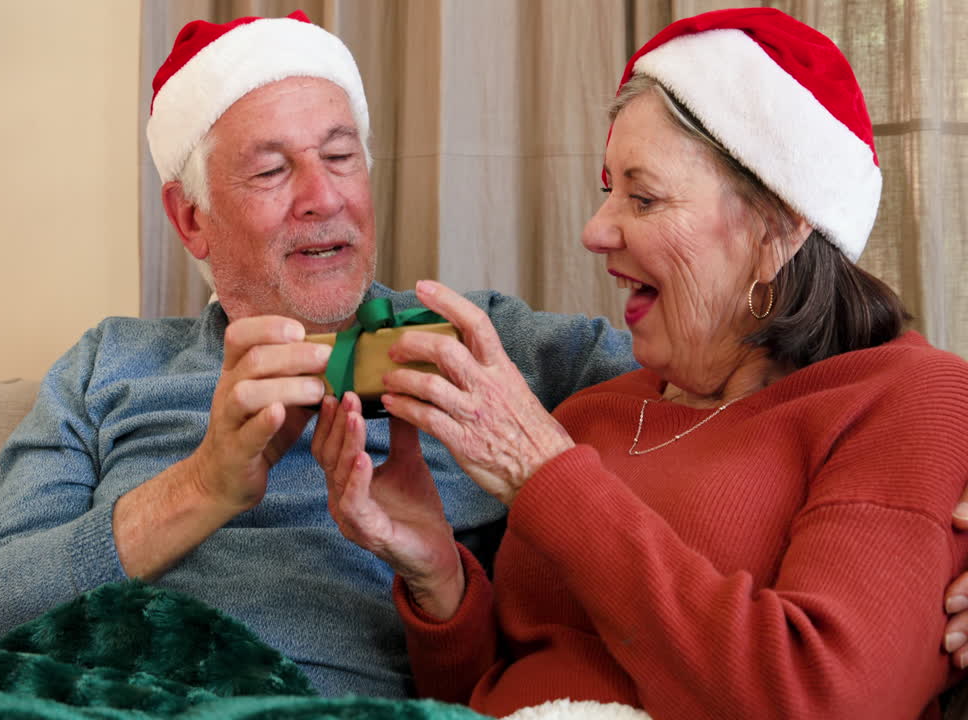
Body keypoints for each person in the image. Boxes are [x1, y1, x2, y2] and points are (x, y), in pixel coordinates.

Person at [0, 11, 637, 699]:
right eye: (271, 171)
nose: (323, 196)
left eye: (339, 157)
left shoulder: (484, 340)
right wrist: (201, 487)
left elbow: (715, 388)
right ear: (191, 219)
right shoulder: (111, 363)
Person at [316, 8, 968, 718]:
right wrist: (437, 575)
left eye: (644, 197)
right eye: (607, 190)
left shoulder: (909, 399)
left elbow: (822, 699)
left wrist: (544, 475)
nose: (595, 232)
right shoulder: (595, 412)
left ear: (777, 226)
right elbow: (497, 691)